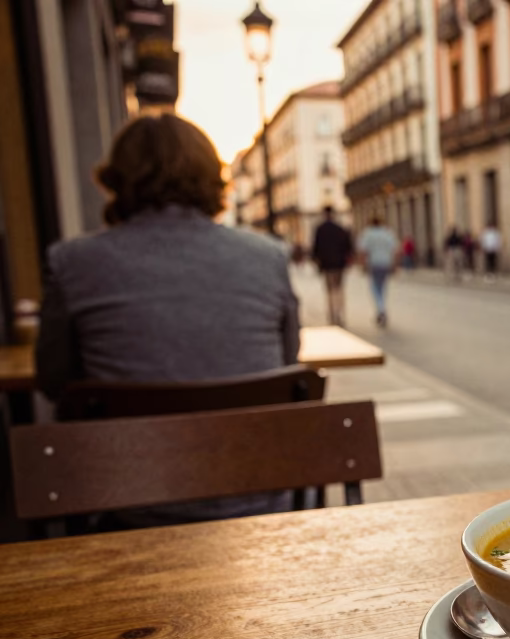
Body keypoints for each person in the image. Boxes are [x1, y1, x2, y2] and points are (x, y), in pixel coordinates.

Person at [36, 113, 301, 527]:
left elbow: (52, 380)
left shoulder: (72, 263)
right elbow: (288, 364)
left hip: (125, 507)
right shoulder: (268, 257)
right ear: (212, 178)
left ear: (117, 180)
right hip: (259, 504)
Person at [356, 215, 399, 327]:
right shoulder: (387, 233)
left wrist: (362, 264)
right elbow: (395, 249)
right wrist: (395, 264)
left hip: (374, 263)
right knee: (382, 287)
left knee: (375, 287)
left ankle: (381, 309)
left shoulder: (367, 233)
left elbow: (363, 250)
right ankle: (382, 307)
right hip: (386, 263)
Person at [312, 206, 352, 326]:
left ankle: (332, 313)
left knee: (330, 290)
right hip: (339, 264)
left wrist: (317, 262)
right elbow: (348, 246)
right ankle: (339, 312)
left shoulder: (320, 229)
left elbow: (316, 248)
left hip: (327, 264)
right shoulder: (340, 228)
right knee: (339, 289)